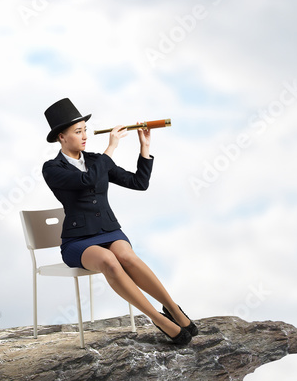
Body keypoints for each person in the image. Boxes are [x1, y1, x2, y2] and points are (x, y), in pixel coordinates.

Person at [41, 98, 197, 345]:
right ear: (61, 137)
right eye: (78, 131)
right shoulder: (51, 168)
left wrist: (144, 148)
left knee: (127, 257)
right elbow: (86, 182)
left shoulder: (95, 160)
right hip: (78, 241)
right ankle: (157, 318)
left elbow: (139, 183)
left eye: (85, 130)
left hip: (109, 231)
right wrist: (111, 148)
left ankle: (173, 309)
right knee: (110, 262)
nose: (85, 136)